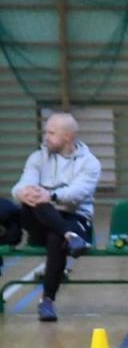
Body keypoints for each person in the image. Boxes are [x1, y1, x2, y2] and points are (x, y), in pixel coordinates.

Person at [6, 113, 101, 322]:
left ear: (67, 136)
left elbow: (78, 193)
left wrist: (52, 195)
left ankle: (47, 301)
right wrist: (22, 192)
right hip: (40, 219)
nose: (46, 137)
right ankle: (70, 236)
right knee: (37, 202)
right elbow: (23, 183)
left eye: (51, 133)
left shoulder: (90, 163)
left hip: (74, 216)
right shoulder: (37, 157)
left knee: (55, 239)